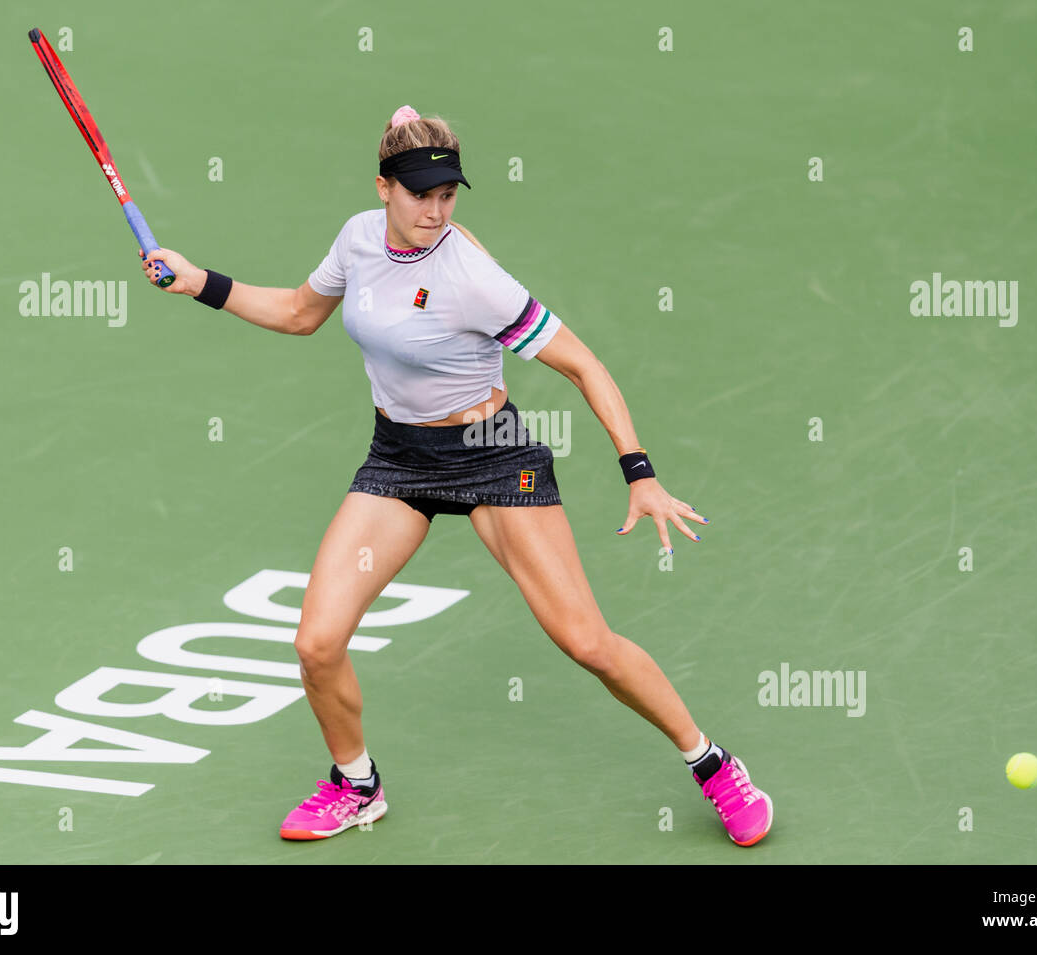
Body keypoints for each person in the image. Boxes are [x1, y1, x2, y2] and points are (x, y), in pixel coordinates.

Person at [139, 104, 772, 849]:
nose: (436, 210)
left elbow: (583, 363)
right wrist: (198, 282)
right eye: (420, 195)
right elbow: (300, 313)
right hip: (399, 459)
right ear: (384, 188)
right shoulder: (357, 239)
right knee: (316, 641)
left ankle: (713, 763)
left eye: (448, 196)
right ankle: (356, 784)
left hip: (491, 455)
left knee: (586, 640)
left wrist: (640, 472)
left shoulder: (472, 277)